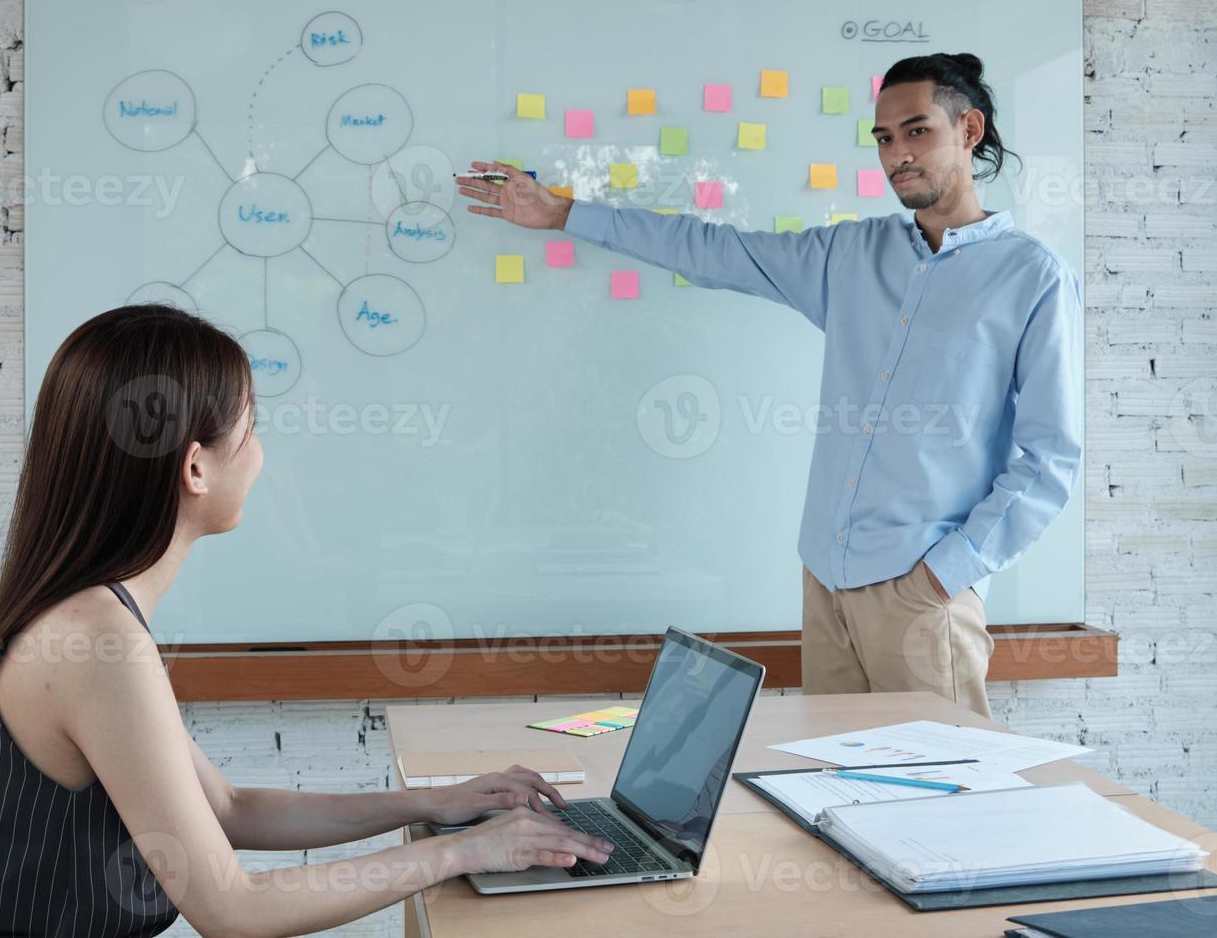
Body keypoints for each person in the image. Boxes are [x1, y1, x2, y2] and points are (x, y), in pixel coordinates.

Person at [0, 304, 613, 937]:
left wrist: (429, 807)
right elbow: (233, 910)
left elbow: (229, 808)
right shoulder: (96, 645)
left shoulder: (82, 616)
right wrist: (467, 851)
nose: (260, 455)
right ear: (195, 467)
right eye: (251, 428)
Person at [456, 53, 1083, 719]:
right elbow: (709, 249)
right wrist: (563, 215)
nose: (897, 153)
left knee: (941, 798)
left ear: (969, 129)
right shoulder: (850, 256)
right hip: (826, 580)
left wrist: (944, 575)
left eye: (917, 131)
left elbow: (1050, 461)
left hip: (922, 596)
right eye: (884, 138)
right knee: (831, 791)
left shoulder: (1032, 277)